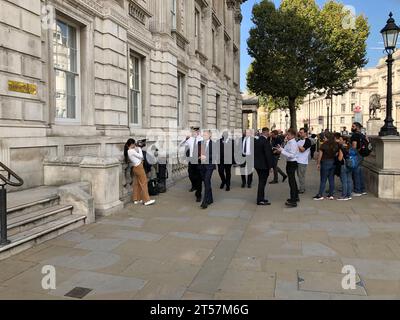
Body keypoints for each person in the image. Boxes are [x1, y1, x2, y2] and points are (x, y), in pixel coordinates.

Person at [126, 139, 155, 206]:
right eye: (135, 143)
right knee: (144, 183)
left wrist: (138, 149)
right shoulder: (131, 151)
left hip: (135, 168)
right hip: (139, 167)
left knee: (136, 184)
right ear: (132, 144)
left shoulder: (129, 151)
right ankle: (146, 200)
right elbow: (141, 157)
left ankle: (136, 199)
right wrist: (139, 149)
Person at [276, 128, 299, 208]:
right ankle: (295, 197)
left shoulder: (293, 143)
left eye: (288, 134)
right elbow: (286, 150)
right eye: (287, 134)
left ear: (292, 135)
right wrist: (281, 148)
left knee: (291, 182)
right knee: (292, 180)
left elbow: (291, 155)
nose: (287, 136)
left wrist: (281, 151)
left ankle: (293, 201)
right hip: (290, 162)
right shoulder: (290, 142)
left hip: (292, 163)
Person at [313, 132, 339, 200]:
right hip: (333, 162)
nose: (323, 139)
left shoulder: (324, 145)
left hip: (325, 162)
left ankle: (320, 194)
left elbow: (320, 156)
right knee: (331, 179)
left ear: (327, 138)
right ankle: (331, 194)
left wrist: (318, 163)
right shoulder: (335, 144)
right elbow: (336, 154)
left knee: (323, 180)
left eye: (324, 137)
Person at [180, 127, 203, 202]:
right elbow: (181, 145)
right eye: (192, 131)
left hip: (199, 161)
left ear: (198, 132)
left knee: (199, 177)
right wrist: (185, 139)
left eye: (195, 131)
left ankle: (198, 195)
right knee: (190, 174)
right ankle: (194, 185)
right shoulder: (190, 139)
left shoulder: (201, 139)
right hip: (191, 159)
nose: (193, 133)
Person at [254, 127, 274, 205]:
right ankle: (260, 200)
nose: (269, 134)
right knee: (262, 182)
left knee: (261, 182)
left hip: (257, 164)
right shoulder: (265, 141)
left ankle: (261, 198)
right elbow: (267, 155)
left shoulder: (257, 140)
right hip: (263, 165)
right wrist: (271, 166)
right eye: (268, 132)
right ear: (266, 132)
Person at [198, 130, 217, 209]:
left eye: (205, 135)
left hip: (210, 165)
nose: (204, 136)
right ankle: (210, 199)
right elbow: (197, 153)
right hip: (202, 166)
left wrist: (206, 157)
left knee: (206, 180)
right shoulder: (200, 143)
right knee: (206, 182)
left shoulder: (214, 144)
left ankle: (205, 201)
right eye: (203, 135)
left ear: (210, 135)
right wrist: (199, 157)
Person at [350, 122, 367, 197]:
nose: (352, 127)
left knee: (355, 173)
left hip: (356, 155)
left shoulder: (355, 135)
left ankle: (357, 190)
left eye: (353, 126)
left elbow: (354, 146)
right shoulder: (362, 135)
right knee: (360, 172)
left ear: (357, 127)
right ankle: (362, 189)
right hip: (362, 155)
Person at [334, 134, 353, 201]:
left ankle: (344, 195)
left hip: (343, 165)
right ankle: (349, 195)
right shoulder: (350, 147)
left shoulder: (341, 148)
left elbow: (340, 158)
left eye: (341, 140)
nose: (339, 140)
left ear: (344, 141)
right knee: (349, 180)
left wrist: (337, 156)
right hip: (350, 165)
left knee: (344, 181)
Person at [296, 128, 312, 194]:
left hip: (302, 161)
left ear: (305, 133)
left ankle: (302, 189)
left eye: (301, 132)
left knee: (301, 176)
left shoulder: (308, 141)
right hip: (297, 160)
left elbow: (302, 150)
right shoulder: (299, 140)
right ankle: (302, 188)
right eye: (299, 132)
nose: (300, 134)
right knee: (299, 175)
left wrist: (297, 145)